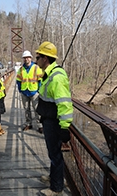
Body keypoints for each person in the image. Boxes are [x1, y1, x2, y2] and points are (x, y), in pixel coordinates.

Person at [35, 41, 73, 196]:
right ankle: (54, 178)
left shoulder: (56, 78)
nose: (36, 60)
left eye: (38, 57)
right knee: (53, 153)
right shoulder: (49, 74)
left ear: (45, 58)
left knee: (55, 154)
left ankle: (56, 188)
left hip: (54, 122)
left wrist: (64, 127)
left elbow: (64, 103)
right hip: (48, 119)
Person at [16, 50, 43, 133]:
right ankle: (29, 123)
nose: (26, 59)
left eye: (28, 57)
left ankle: (39, 125)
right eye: (25, 58)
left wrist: (39, 90)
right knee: (26, 109)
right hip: (24, 92)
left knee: (37, 109)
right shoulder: (21, 69)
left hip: (34, 92)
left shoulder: (36, 68)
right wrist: (20, 89)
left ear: (31, 58)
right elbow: (18, 80)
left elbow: (40, 80)